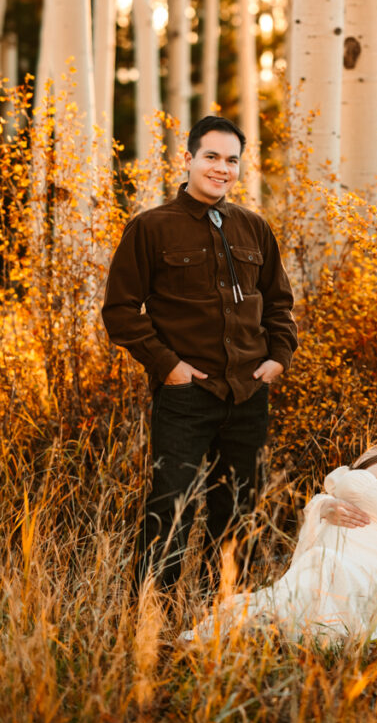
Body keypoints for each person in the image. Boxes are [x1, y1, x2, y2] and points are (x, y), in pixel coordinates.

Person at [102, 115, 298, 591]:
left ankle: (224, 612)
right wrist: (169, 367)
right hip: (187, 395)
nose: (222, 168)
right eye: (211, 157)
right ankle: (154, 616)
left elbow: (279, 302)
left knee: (237, 504)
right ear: (187, 159)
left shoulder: (253, 227)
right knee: (171, 504)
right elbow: (120, 311)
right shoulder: (151, 228)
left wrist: (278, 357)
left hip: (248, 394)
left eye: (232, 160)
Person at [183, 377, 377, 641]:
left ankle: (279, 632)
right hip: (327, 563)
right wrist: (326, 508)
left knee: (325, 573)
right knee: (306, 579)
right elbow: (325, 501)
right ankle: (258, 633)